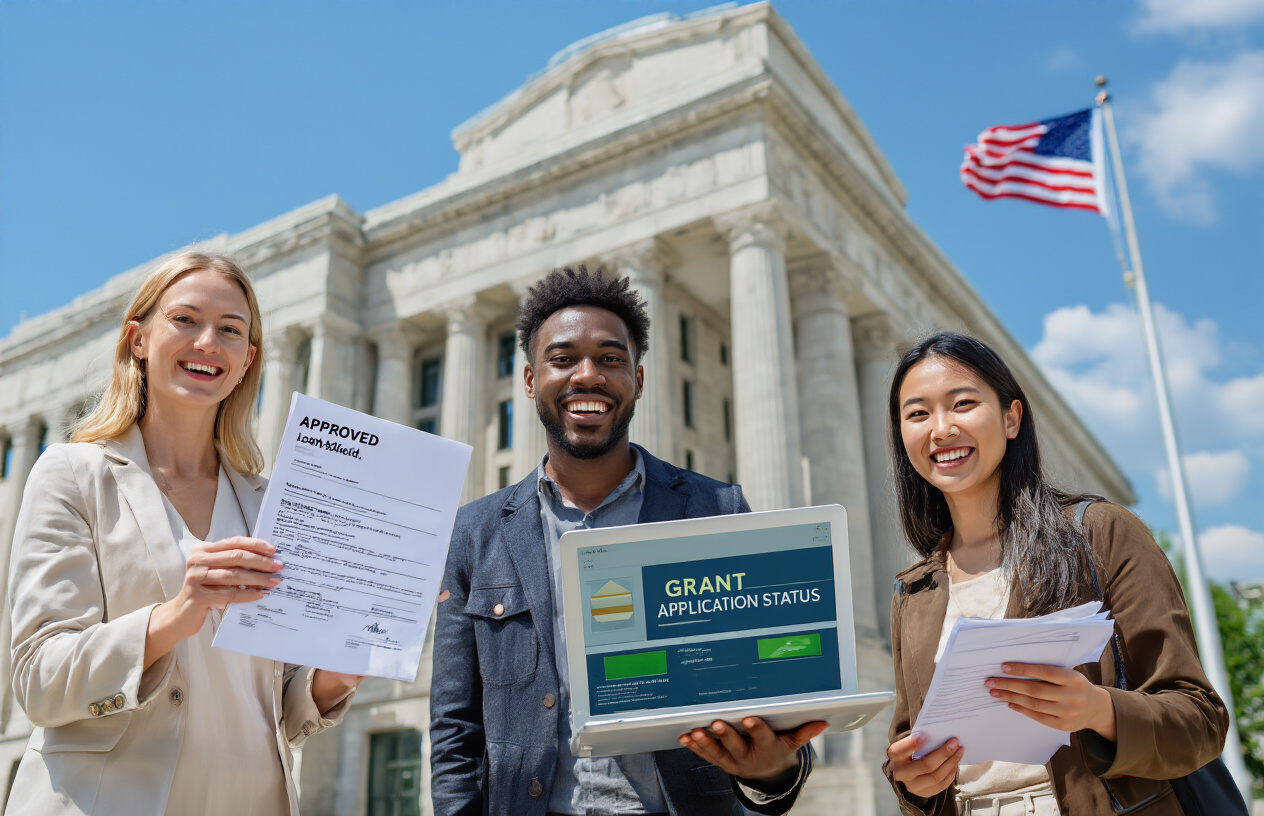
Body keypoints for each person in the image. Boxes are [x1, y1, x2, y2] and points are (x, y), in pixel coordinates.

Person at [429, 266, 825, 816]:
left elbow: (779, 705)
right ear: (529, 380)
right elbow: (455, 729)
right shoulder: (475, 532)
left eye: (611, 359)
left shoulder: (716, 510)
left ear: (638, 380)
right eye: (563, 359)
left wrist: (774, 770)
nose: (587, 376)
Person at [7, 251, 364, 816]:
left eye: (229, 330)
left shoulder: (270, 503)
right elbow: (39, 680)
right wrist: (177, 616)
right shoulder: (72, 473)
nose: (207, 343)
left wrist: (333, 677)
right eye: (185, 320)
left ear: (247, 361)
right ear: (138, 340)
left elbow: (273, 710)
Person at [882, 332, 1228, 815]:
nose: (940, 429)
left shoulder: (1100, 533)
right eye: (917, 414)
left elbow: (1201, 720)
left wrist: (1097, 709)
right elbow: (909, 749)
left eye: (962, 404)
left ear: (1010, 418)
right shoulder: (914, 591)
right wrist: (912, 782)